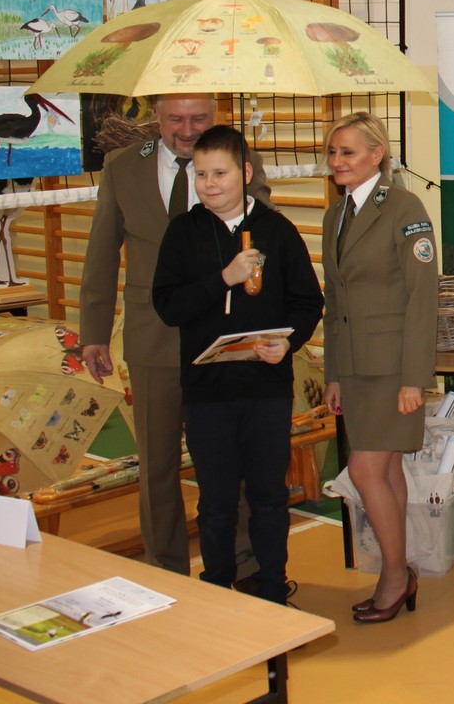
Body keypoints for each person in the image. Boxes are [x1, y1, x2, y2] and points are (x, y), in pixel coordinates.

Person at [79, 94, 273, 577]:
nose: (187, 130)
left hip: (225, 337)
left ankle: (244, 564)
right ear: (157, 119)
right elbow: (101, 252)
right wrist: (94, 333)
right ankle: (164, 570)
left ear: (215, 117)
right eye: (175, 120)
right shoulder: (122, 166)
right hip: (153, 337)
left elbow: (264, 238)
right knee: (157, 465)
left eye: (199, 119)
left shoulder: (240, 160)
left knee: (231, 458)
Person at [152, 125, 324, 604]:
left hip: (266, 389)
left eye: (220, 173)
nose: (209, 184)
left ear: (245, 173)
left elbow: (307, 303)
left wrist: (287, 344)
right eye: (201, 174)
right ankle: (216, 591)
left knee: (269, 497)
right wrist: (224, 278)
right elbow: (168, 306)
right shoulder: (183, 232)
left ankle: (272, 589)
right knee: (216, 501)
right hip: (207, 392)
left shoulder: (277, 230)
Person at [321, 112, 438, 624]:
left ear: (377, 154)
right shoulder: (336, 214)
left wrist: (415, 377)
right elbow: (335, 301)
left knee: (365, 470)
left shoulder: (403, 207)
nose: (337, 161)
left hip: (393, 368)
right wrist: (333, 373)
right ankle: (401, 570)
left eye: (348, 152)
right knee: (385, 470)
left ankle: (394, 575)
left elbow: (422, 296)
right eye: (332, 152)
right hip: (355, 367)